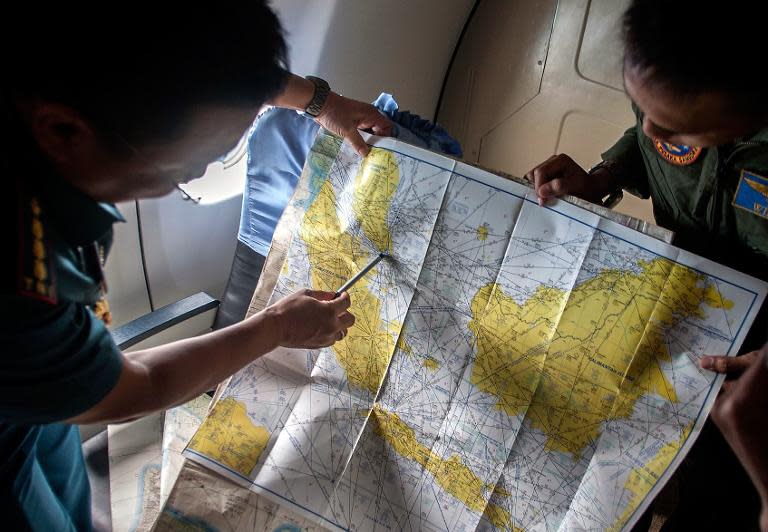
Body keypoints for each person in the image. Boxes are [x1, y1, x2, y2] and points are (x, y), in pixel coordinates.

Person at [0, 6, 392, 530]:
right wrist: (276, 326)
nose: (199, 173)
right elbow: (133, 387)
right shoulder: (22, 288)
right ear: (65, 132)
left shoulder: (82, 70)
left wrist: (322, 102)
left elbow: (212, 72)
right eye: (182, 168)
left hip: (39, 397)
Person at [525, 0, 768, 529]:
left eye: (680, 129)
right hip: (686, 271)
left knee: (720, 495)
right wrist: (605, 176)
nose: (655, 134)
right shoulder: (676, 68)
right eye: (642, 108)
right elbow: (646, 140)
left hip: (760, 321)